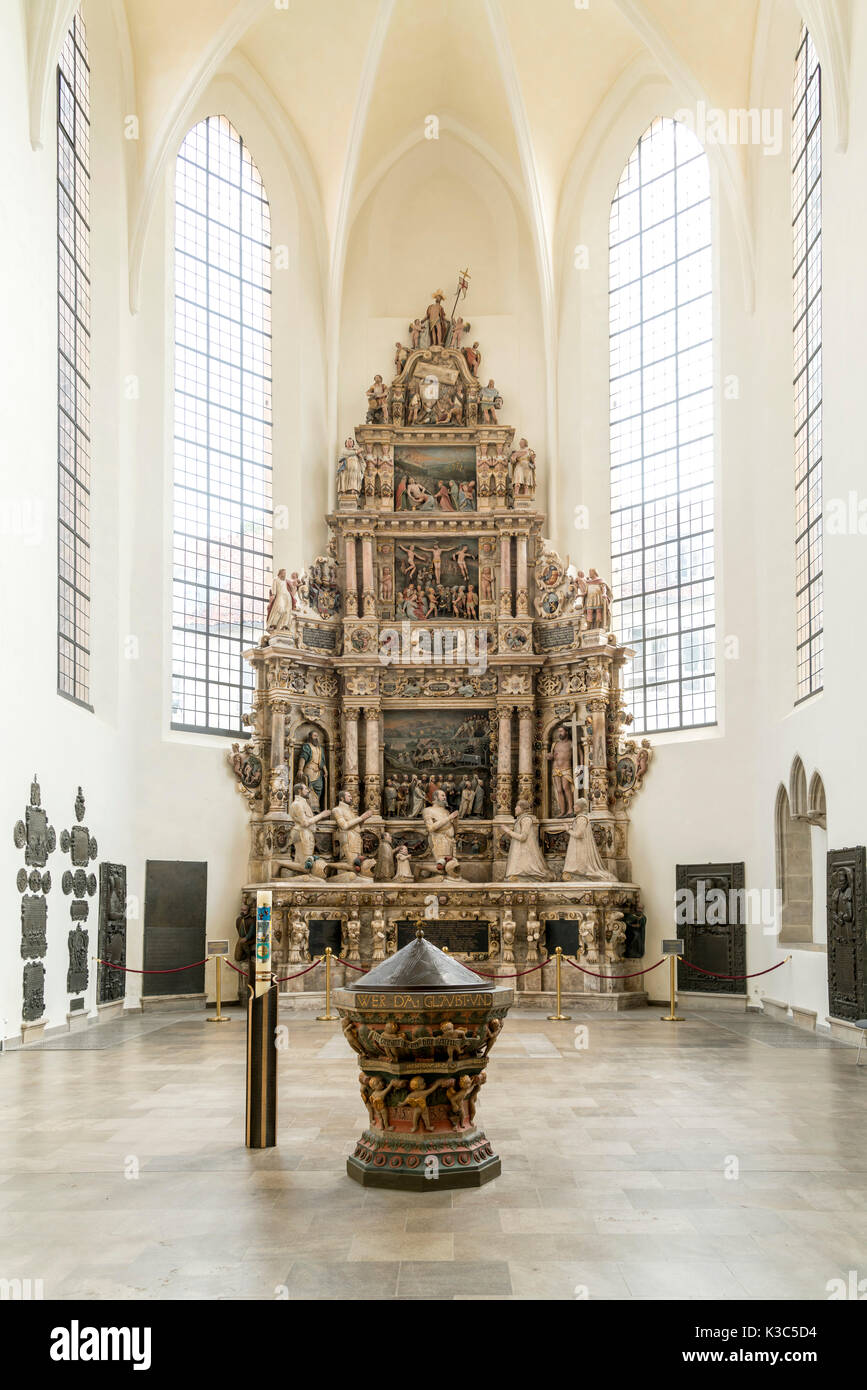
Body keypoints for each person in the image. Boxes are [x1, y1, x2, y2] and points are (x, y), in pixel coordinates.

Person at [562, 799, 612, 881]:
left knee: (580, 868)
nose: (574, 807)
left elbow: (579, 834)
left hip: (580, 846)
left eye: (576, 805)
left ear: (580, 807)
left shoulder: (581, 819)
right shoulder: (580, 818)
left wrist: (568, 830)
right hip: (578, 845)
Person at [503, 799, 549, 881]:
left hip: (525, 851)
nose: (515, 808)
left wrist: (509, 831)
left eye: (517, 806)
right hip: (519, 850)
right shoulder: (520, 819)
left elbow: (523, 837)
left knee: (524, 873)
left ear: (522, 808)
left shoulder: (526, 819)